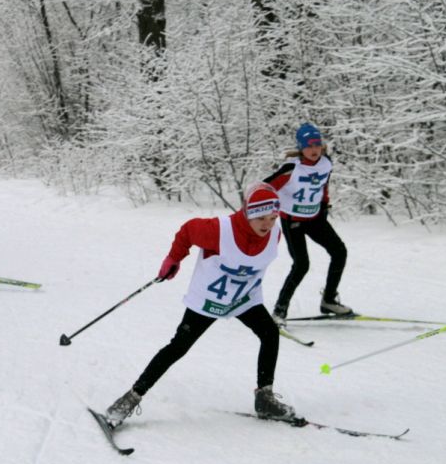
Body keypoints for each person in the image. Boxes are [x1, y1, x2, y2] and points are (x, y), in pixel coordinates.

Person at [101, 183, 296, 428]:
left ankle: (265, 399)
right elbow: (187, 231)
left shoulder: (274, 234)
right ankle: (129, 399)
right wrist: (174, 258)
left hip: (244, 298)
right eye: (260, 218)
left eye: (272, 217)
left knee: (269, 334)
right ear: (247, 212)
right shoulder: (218, 230)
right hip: (208, 300)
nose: (267, 224)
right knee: (178, 347)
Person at [264, 123, 350, 326]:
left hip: (315, 218)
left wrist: (324, 205)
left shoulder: (326, 163)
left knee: (339, 252)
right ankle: (279, 311)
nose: (314, 150)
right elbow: (264, 188)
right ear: (301, 148)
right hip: (292, 221)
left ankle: (328, 301)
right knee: (302, 265)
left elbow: (323, 186)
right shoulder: (291, 168)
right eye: (309, 146)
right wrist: (262, 215)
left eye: (317, 145)